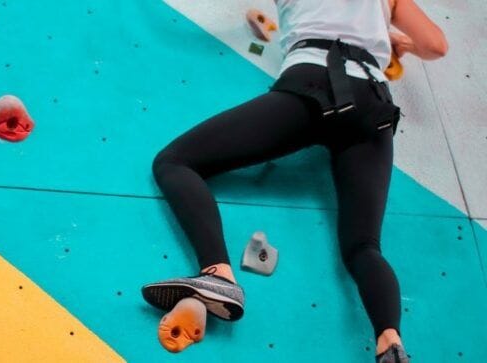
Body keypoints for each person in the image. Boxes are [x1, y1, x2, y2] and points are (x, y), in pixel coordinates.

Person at [141, 0, 448, 361]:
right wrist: (395, 41)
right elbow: (435, 46)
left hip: (313, 86)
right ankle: (389, 341)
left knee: (175, 162)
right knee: (364, 246)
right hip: (373, 107)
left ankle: (218, 274)